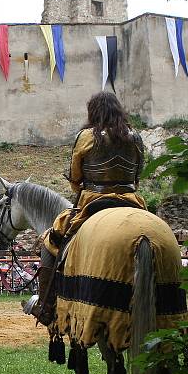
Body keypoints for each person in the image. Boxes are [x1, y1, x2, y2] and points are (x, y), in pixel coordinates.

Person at [43, 91, 145, 259]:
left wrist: (77, 185)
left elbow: (75, 177)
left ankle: (47, 285)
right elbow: (138, 175)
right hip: (130, 198)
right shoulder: (135, 137)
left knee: (53, 239)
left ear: (93, 112)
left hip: (93, 198)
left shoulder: (86, 136)